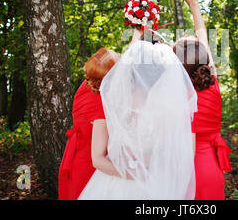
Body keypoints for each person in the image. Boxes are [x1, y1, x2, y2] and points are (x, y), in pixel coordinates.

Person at [78, 29, 197, 200]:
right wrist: (135, 174)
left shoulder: (163, 111)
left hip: (121, 184)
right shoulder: (114, 104)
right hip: (141, 181)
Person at [174, 0, 232, 200]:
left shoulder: (178, 98)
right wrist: (194, 5)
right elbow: (203, 37)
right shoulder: (213, 84)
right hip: (213, 169)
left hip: (187, 173)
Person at [58, 47, 120, 200]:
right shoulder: (100, 107)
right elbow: (97, 159)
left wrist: (137, 32)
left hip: (78, 153)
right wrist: (128, 174)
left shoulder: (90, 83)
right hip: (90, 169)